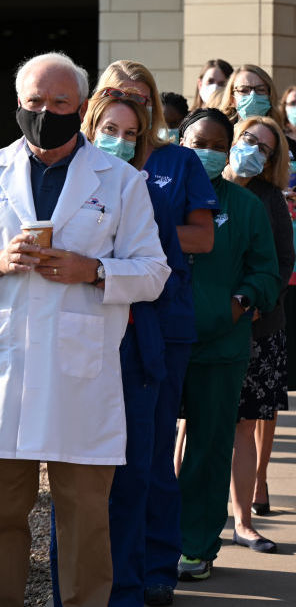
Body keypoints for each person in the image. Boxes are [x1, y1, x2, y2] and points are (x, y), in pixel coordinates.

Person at [0, 52, 170, 607]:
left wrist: (93, 270)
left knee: (84, 519)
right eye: (33, 102)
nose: (44, 112)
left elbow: (153, 271)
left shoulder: (120, 180)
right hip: (9, 370)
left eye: (58, 103)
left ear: (80, 109)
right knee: (2, 512)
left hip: (82, 376)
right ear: (17, 103)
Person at [94, 60, 217, 603]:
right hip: (99, 320)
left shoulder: (178, 161)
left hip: (163, 321)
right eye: (120, 96)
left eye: (141, 99)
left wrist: (144, 232)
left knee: (150, 452)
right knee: (102, 458)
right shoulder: (83, 163)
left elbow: (202, 239)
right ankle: (108, 567)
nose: (133, 107)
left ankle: (157, 567)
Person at [69, 86, 190, 607]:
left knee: (138, 471)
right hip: (74, 349)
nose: (118, 142)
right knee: (81, 484)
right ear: (88, 128)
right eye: (108, 131)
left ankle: (134, 585)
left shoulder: (149, 194)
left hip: (136, 349)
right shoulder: (55, 189)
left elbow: (167, 277)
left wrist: (104, 276)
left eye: (130, 134)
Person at [175, 108, 280, 581]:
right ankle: (150, 542)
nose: (209, 153)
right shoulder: (153, 195)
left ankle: (196, 547)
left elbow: (267, 271)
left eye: (219, 145)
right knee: (151, 449)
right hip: (157, 341)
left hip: (221, 347)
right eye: (199, 142)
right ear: (180, 142)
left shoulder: (244, 206)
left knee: (210, 448)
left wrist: (238, 304)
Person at [225, 116, 294, 554]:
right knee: (192, 422)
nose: (253, 149)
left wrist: (255, 302)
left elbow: (283, 262)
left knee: (245, 423)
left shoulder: (270, 199)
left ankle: (243, 519)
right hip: (204, 324)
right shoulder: (201, 185)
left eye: (264, 148)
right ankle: (181, 518)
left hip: (257, 326)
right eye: (248, 139)